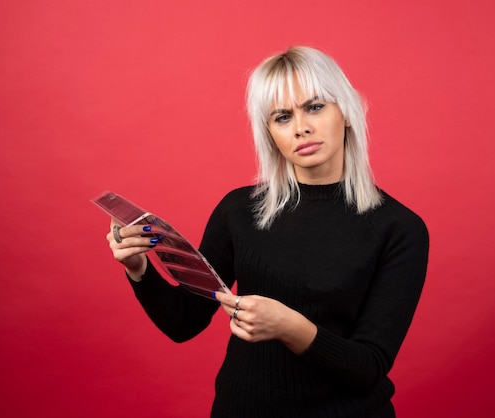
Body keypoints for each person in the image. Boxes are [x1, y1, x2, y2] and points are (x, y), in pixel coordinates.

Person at [106, 46, 429, 418]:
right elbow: (184, 322)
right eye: (282, 116)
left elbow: (368, 367)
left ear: (348, 112)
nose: (300, 127)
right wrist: (138, 269)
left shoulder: (399, 229)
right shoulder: (239, 211)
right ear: (270, 132)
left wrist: (290, 327)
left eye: (315, 106)